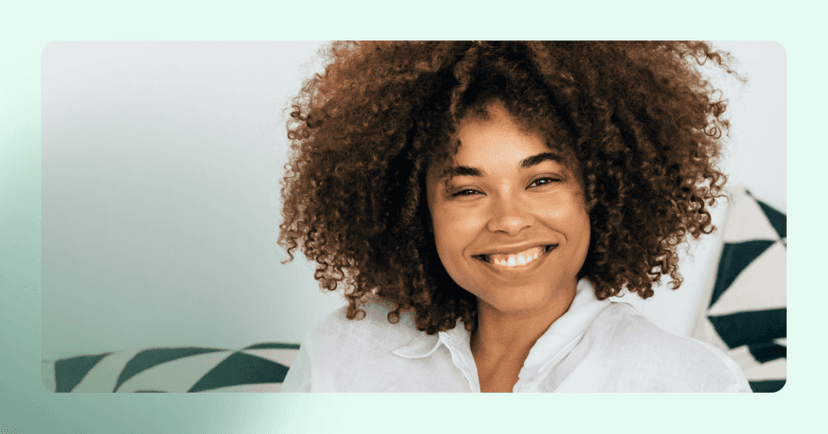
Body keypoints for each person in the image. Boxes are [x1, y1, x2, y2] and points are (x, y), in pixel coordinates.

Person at [277, 41, 751, 392]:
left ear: (598, 191)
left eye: (541, 180)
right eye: (467, 189)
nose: (508, 220)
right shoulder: (344, 351)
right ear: (416, 210)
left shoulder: (692, 389)